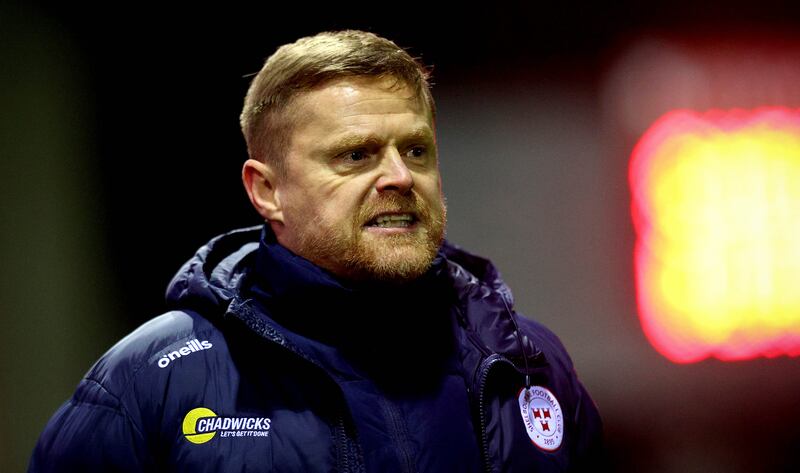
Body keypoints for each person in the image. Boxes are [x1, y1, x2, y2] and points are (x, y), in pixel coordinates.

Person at [29, 30, 602, 472]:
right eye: (356, 155)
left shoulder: (527, 364)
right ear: (267, 190)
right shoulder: (150, 382)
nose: (400, 176)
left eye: (417, 150)